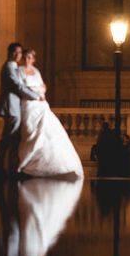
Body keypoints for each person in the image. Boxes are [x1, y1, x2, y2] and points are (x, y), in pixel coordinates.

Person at [16, 49, 84, 178]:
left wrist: (40, 93)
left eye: (29, 57)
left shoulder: (36, 71)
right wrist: (35, 93)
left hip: (40, 105)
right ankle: (27, 162)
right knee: (30, 132)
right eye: (25, 57)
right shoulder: (19, 71)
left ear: (33, 59)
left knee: (48, 133)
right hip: (29, 105)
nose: (27, 60)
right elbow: (21, 88)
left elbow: (43, 86)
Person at [0, 42, 44, 178]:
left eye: (19, 53)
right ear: (9, 53)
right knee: (11, 140)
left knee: (10, 140)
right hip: (11, 107)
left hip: (14, 107)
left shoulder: (13, 66)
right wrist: (36, 96)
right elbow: (18, 87)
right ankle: (9, 170)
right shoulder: (10, 67)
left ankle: (5, 169)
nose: (18, 55)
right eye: (15, 52)